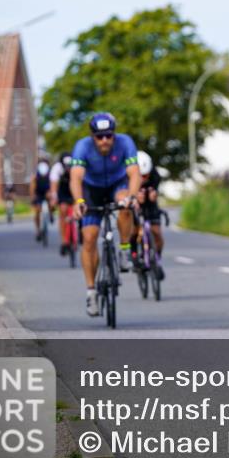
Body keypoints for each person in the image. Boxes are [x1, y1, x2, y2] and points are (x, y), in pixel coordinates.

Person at [70, 113, 141, 317]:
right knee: (90, 238)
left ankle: (125, 250)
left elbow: (134, 172)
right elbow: (75, 177)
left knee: (125, 203)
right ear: (92, 136)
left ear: (114, 134)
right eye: (99, 136)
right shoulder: (82, 147)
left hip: (117, 185)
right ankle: (91, 292)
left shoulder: (125, 142)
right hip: (91, 190)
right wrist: (79, 201)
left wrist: (133, 196)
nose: (104, 141)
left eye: (109, 136)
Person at [135, 150, 165, 278]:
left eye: (146, 176)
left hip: (150, 204)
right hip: (135, 204)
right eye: (141, 176)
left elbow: (155, 191)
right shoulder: (127, 176)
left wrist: (154, 194)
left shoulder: (155, 175)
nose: (144, 179)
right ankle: (135, 256)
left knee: (157, 232)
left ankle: (157, 259)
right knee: (133, 231)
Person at [49, 151, 75, 255]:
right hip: (63, 191)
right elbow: (54, 184)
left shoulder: (76, 166)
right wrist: (54, 198)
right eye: (67, 167)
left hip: (74, 190)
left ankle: (81, 230)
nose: (68, 169)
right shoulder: (57, 168)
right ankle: (64, 241)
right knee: (63, 211)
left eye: (70, 167)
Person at [29, 157, 53, 241]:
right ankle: (38, 230)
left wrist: (50, 192)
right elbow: (32, 187)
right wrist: (33, 196)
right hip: (38, 193)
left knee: (51, 203)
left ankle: (50, 213)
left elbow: (53, 184)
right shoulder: (35, 176)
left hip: (47, 192)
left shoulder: (50, 174)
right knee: (37, 211)